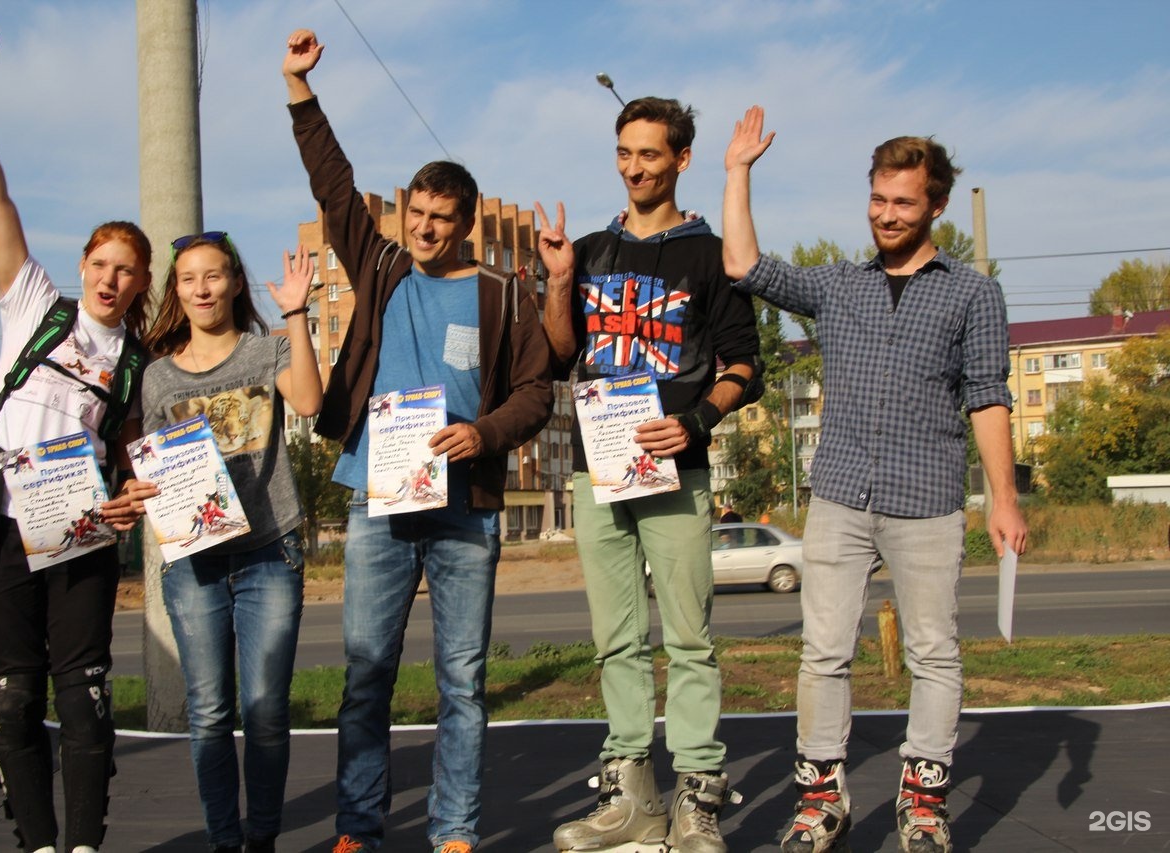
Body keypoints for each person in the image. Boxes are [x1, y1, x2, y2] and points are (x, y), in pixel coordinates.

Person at [721, 106, 1029, 853]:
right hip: (840, 494)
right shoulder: (838, 285)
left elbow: (987, 396)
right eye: (878, 199)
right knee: (824, 650)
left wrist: (1004, 498)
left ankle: (922, 802)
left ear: (936, 206)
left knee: (934, 652)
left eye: (903, 202)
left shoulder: (972, 293)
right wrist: (737, 172)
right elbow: (744, 266)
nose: (887, 216)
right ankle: (822, 801)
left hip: (927, 498)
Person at [282, 28, 554, 853]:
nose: (427, 229)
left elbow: (540, 391)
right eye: (418, 214)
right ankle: (359, 828)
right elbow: (334, 184)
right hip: (377, 500)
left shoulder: (505, 293)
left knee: (462, 682)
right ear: (404, 215)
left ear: (466, 223)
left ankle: (455, 832)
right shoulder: (381, 266)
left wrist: (484, 431)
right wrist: (299, 89)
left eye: (442, 218)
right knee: (366, 675)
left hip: (465, 508)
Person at [536, 96, 763, 853]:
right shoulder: (595, 248)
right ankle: (631, 793)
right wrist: (561, 280)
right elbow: (562, 354)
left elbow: (745, 366)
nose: (635, 167)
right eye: (624, 153)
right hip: (597, 469)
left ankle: (698, 798)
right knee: (616, 640)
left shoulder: (710, 255)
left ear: (681, 159)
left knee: (690, 639)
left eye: (650, 154)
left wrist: (695, 421)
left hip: (676, 468)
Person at [0, 47, 152, 853]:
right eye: (101, 262)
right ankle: (35, 842)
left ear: (139, 284)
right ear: (82, 265)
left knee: (87, 694)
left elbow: (139, 459)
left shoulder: (136, 360)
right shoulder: (34, 305)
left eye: (126, 269)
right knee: (13, 696)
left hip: (80, 530)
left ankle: (85, 845)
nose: (110, 277)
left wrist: (134, 497)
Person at [139, 233, 323, 853]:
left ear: (236, 283)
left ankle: (263, 836)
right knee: (211, 713)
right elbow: (147, 464)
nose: (202, 289)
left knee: (267, 709)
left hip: (269, 551)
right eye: (189, 279)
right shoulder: (158, 377)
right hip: (194, 563)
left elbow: (310, 400)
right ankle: (224, 840)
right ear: (177, 291)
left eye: (214, 277)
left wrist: (296, 313)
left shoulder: (264, 352)